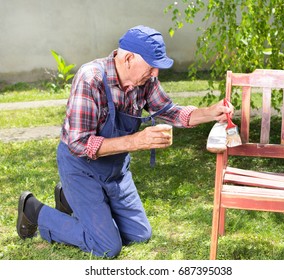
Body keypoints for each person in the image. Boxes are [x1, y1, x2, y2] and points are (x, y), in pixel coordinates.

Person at [16, 25, 234, 258]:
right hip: (81, 168)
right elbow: (78, 143)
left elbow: (170, 111)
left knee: (140, 234)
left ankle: (68, 199)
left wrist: (210, 113)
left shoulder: (145, 82)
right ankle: (35, 210)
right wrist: (136, 141)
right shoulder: (91, 78)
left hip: (116, 170)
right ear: (129, 58)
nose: (155, 74)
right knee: (108, 246)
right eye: (151, 66)